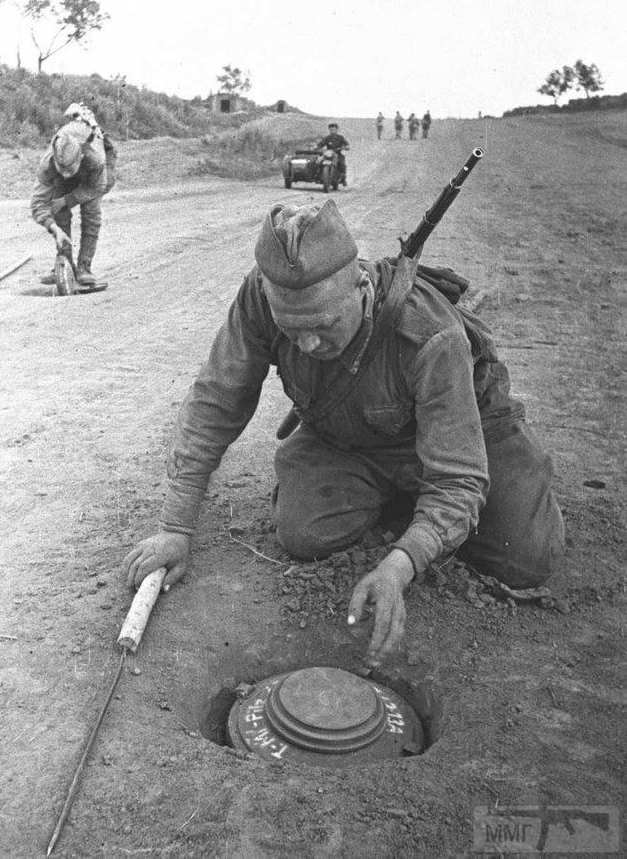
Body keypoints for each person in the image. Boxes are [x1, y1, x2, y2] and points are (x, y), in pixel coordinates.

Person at [123, 201, 565, 666]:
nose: (308, 345)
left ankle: (470, 493)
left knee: (527, 558)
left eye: (323, 326)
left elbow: (459, 477)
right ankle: (407, 498)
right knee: (303, 533)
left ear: (361, 287)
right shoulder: (261, 297)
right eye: (292, 330)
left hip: (468, 426)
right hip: (352, 433)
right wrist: (175, 528)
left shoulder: (430, 335)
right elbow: (216, 400)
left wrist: (400, 564)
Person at [30, 103, 116, 287]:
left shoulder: (95, 158)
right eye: (62, 170)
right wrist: (53, 227)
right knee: (58, 211)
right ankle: (65, 264)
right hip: (73, 167)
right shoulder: (49, 162)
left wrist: (67, 200)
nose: (66, 175)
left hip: (94, 178)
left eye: (69, 170)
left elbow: (97, 188)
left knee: (91, 213)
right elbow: (38, 204)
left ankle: (85, 266)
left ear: (80, 157)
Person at [316, 122, 349, 186]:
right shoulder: (327, 138)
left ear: (337, 130)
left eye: (333, 130)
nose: (332, 131)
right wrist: (317, 147)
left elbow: (346, 144)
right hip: (329, 153)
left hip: (338, 153)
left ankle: (343, 179)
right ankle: (319, 175)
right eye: (330, 130)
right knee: (319, 162)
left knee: (342, 164)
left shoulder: (340, 137)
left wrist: (346, 147)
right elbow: (321, 143)